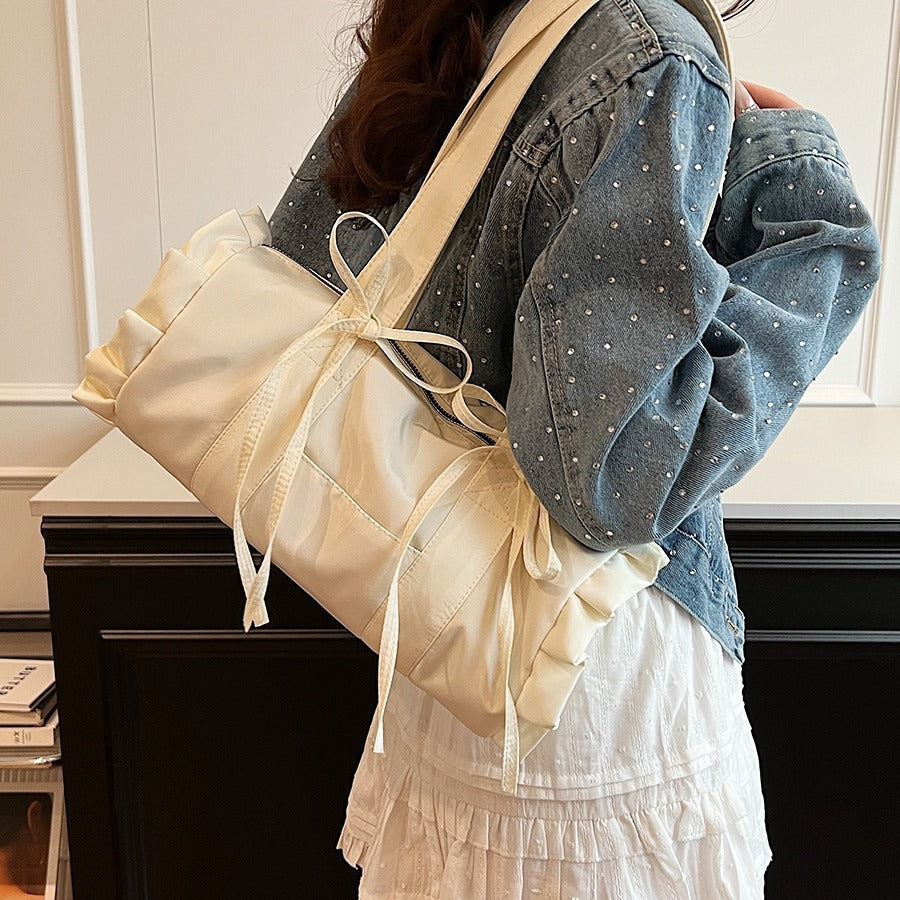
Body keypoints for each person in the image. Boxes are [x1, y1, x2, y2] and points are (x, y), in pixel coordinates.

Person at [268, 0, 883, 896]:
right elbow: (613, 480)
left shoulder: (476, 14)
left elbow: (307, 266)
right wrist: (813, 223)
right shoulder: (652, 53)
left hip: (453, 629)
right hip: (592, 676)